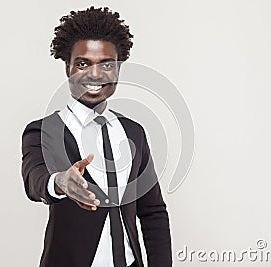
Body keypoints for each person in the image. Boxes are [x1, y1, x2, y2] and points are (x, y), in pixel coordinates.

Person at [21, 6, 172, 267]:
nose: (94, 74)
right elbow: (35, 178)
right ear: (67, 68)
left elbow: (153, 212)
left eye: (106, 64)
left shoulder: (134, 132)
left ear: (118, 69)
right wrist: (60, 183)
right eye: (83, 63)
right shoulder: (45, 131)